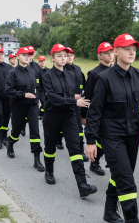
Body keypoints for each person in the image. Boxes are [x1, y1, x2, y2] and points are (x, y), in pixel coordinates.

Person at [85, 34, 139, 223]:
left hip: (132, 136)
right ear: (115, 52)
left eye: (134, 49)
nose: (132, 52)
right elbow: (95, 111)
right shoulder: (104, 78)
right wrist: (91, 140)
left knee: (121, 175)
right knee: (127, 182)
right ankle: (132, 220)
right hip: (111, 136)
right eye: (127, 49)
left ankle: (109, 210)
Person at [42, 44, 97, 198]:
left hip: (69, 116)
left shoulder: (72, 75)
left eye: (65, 56)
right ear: (52, 58)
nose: (63, 58)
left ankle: (82, 184)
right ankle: (49, 171)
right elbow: (52, 98)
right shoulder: (47, 76)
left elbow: (74, 95)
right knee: (50, 146)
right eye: (59, 56)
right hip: (53, 116)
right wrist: (74, 101)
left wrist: (79, 100)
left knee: (75, 148)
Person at [5, 47, 44, 172]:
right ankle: (10, 143)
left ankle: (37, 159)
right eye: (24, 55)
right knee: (16, 132)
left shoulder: (32, 71)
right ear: (17, 57)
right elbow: (8, 90)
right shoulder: (12, 73)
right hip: (18, 105)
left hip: (32, 105)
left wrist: (37, 99)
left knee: (35, 131)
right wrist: (23, 94)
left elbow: (36, 88)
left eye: (29, 55)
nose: (27, 57)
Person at [81, 42, 115, 176]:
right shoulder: (94, 73)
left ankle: (98, 162)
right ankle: (95, 163)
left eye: (111, 52)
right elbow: (87, 96)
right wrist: (84, 115)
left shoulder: (116, 70)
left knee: (104, 141)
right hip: (99, 114)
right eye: (106, 53)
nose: (110, 55)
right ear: (100, 56)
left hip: (113, 113)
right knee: (102, 140)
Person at [64, 47, 88, 161]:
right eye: (67, 55)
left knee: (78, 127)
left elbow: (84, 85)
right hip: (65, 103)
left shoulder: (78, 69)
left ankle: (80, 149)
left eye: (71, 55)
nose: (69, 57)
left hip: (78, 104)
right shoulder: (61, 70)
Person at [19, 46, 44, 136]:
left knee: (34, 115)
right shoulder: (21, 67)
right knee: (24, 114)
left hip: (35, 94)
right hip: (24, 94)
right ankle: (22, 126)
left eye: (32, 53)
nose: (30, 55)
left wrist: (39, 96)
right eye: (28, 53)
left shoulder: (37, 66)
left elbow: (41, 81)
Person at [38, 55, 49, 120]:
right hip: (40, 90)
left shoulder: (48, 70)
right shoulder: (37, 71)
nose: (43, 62)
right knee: (43, 102)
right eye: (41, 61)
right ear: (39, 62)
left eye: (44, 61)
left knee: (46, 102)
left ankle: (41, 113)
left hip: (47, 90)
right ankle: (42, 114)